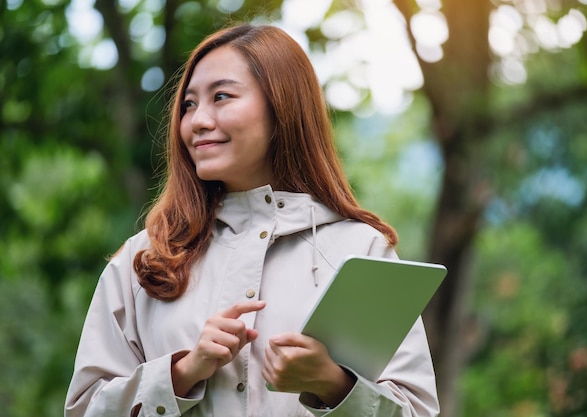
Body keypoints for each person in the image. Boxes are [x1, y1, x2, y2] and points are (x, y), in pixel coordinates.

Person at [64, 23, 439, 417]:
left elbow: (416, 411)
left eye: (221, 97)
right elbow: (85, 408)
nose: (197, 121)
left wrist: (332, 383)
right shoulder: (143, 260)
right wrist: (181, 373)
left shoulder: (360, 249)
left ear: (282, 108)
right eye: (189, 104)